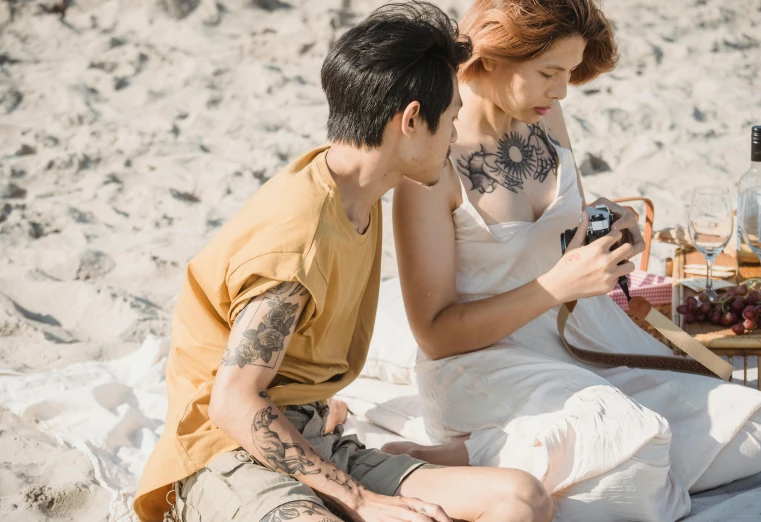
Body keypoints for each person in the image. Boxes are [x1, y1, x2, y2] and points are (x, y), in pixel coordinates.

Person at [132, 3, 554, 522]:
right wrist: (361, 500)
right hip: (227, 453)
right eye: (449, 121)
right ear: (412, 120)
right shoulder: (297, 238)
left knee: (521, 498)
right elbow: (234, 402)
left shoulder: (358, 188)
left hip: (310, 435)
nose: (454, 138)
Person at [386, 0, 761, 520]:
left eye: (569, 73)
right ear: (491, 56)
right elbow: (436, 334)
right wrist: (557, 285)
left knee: (760, 423)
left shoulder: (547, 115)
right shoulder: (433, 156)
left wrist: (607, 231)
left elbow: (565, 235)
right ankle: (459, 460)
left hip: (579, 338)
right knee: (636, 451)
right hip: (484, 361)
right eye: (549, 72)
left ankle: (535, 459)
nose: (561, 90)